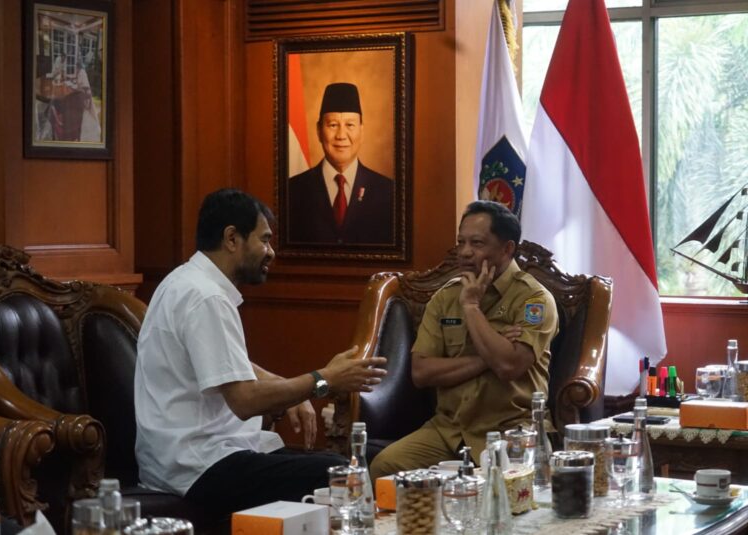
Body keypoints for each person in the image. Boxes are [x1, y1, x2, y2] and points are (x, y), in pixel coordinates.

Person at [134, 188, 387, 517]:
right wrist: (324, 380)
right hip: (197, 465)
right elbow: (245, 401)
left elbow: (224, 361)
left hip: (188, 457)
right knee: (339, 472)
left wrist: (287, 387)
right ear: (231, 239)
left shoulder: (182, 281)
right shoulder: (206, 297)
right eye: (264, 240)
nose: (270, 252)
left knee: (331, 466)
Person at [369, 200, 558, 479]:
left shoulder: (533, 300)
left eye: (478, 243)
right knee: (385, 466)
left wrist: (471, 307)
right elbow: (421, 372)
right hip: (449, 429)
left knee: (497, 489)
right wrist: (488, 356)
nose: (465, 253)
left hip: (512, 431)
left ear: (507, 249)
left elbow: (509, 367)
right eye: (461, 242)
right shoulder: (446, 297)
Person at [287, 82, 394, 245]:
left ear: (362, 131)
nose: (341, 135)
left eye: (350, 125)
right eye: (333, 125)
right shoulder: (292, 190)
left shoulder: (388, 192)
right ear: (318, 131)